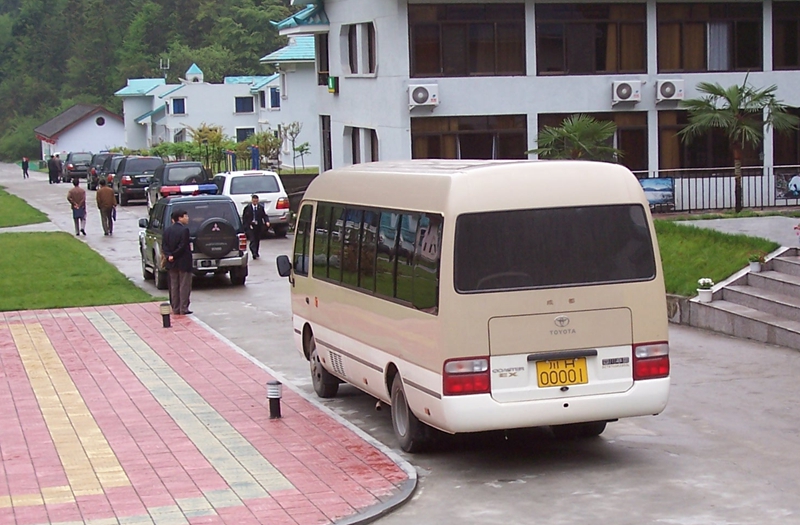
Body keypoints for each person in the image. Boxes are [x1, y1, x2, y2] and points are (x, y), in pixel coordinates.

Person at [162, 209, 193, 315]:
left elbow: (164, 245)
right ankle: (183, 308)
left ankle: (175, 307)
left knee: (174, 285)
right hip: (183, 261)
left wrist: (169, 255)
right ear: (179, 218)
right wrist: (174, 255)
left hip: (171, 262)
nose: (187, 218)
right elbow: (183, 246)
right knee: (184, 285)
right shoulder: (184, 230)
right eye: (185, 216)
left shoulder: (167, 230)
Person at [241, 194, 269, 259]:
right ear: (252, 201)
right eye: (254, 201)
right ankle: (253, 252)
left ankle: (256, 252)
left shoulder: (260, 208)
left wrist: (267, 221)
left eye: (256, 201)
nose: (255, 202)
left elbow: (264, 215)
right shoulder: (247, 208)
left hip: (258, 226)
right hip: (250, 226)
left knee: (257, 239)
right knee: (252, 239)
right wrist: (245, 225)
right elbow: (244, 218)